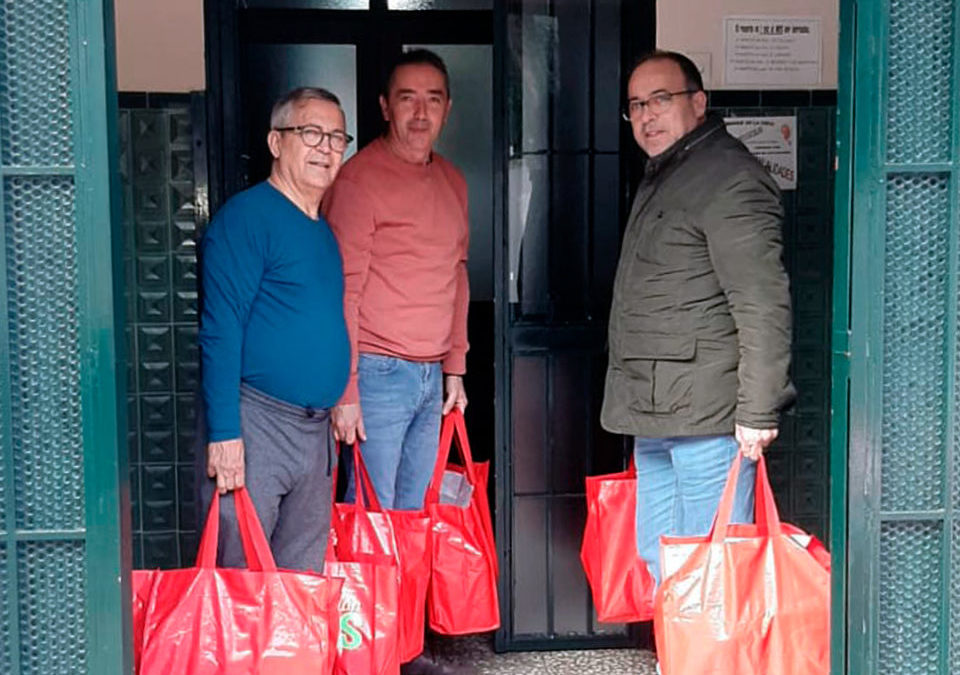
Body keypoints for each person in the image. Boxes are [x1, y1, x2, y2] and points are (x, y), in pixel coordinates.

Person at [601, 51, 796, 589]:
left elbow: (761, 300)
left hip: (709, 418)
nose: (647, 116)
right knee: (660, 556)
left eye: (660, 100)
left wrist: (759, 410)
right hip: (656, 413)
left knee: (714, 564)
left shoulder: (729, 178)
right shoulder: (670, 171)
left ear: (698, 102)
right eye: (636, 105)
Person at [322, 49, 471, 675]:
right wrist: (347, 387)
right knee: (372, 523)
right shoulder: (358, 180)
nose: (419, 111)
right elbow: (344, 290)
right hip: (377, 376)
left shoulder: (455, 181)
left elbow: (459, 277)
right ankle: (366, 654)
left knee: (410, 524)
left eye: (432, 98)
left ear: (447, 109)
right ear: (384, 107)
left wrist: (456, 369)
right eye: (406, 97)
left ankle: (402, 647)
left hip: (430, 376)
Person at [198, 87, 353, 571]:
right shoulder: (246, 219)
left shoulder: (322, 232)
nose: (325, 148)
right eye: (310, 133)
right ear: (275, 142)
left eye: (336, 137)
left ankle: (295, 655)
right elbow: (221, 330)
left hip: (315, 431)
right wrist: (225, 435)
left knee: (301, 582)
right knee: (243, 578)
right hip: (258, 424)